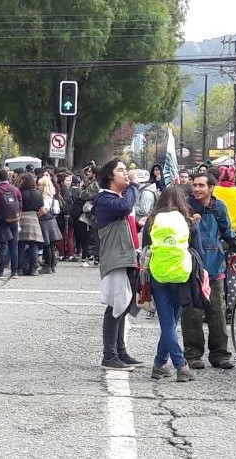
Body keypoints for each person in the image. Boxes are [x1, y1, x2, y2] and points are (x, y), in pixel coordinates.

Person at [181, 172, 236, 370]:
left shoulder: (219, 207)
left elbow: (227, 232)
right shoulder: (185, 205)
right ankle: (192, 355)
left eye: (201, 186)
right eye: (194, 185)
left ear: (211, 188)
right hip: (190, 267)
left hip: (215, 267)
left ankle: (220, 354)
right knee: (192, 313)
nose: (196, 189)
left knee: (217, 312)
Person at [144, 186, 201, 382]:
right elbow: (197, 250)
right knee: (171, 323)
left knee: (167, 323)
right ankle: (181, 366)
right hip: (181, 275)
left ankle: (159, 364)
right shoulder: (188, 222)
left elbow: (145, 247)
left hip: (158, 274)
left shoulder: (152, 222)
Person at [93, 158, 145, 371]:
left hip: (127, 255)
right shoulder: (105, 198)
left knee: (124, 305)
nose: (126, 173)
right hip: (115, 257)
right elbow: (124, 207)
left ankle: (120, 352)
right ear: (109, 176)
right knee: (116, 305)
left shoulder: (118, 198)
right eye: (121, 170)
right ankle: (109, 355)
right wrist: (134, 185)